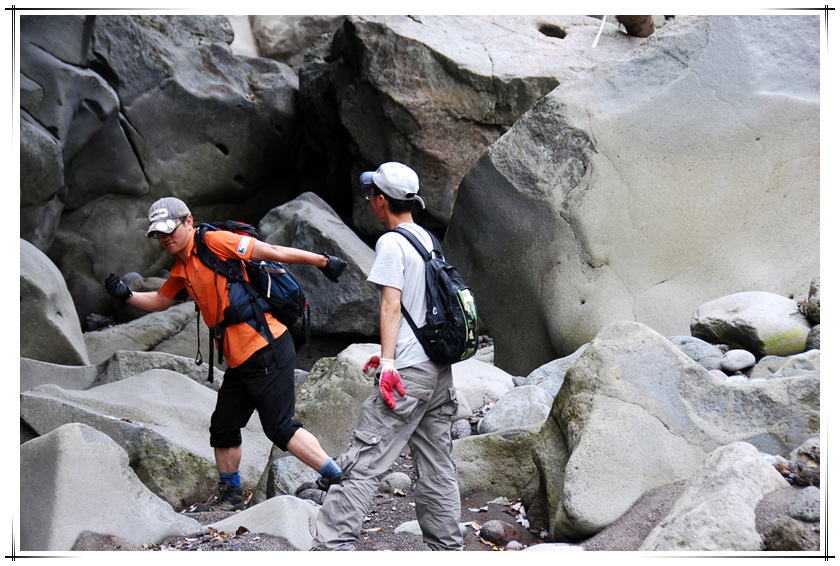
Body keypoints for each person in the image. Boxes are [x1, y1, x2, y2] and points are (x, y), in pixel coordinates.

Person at [104, 197, 347, 511]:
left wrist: (323, 262)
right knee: (223, 426)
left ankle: (338, 478)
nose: (165, 238)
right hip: (240, 359)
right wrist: (128, 295)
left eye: (169, 229)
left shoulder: (215, 242)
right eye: (158, 234)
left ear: (188, 221)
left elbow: (270, 251)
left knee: (280, 427)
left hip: (265, 346)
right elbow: (162, 300)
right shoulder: (182, 267)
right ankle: (230, 497)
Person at [311, 162, 463, 551]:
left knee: (365, 461)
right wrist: (390, 355)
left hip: (408, 373)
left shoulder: (392, 243)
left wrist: (391, 362)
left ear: (381, 201)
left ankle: (330, 547)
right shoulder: (427, 239)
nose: (370, 202)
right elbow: (424, 308)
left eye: (371, 195)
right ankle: (448, 549)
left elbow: (392, 306)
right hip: (436, 371)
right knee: (437, 465)